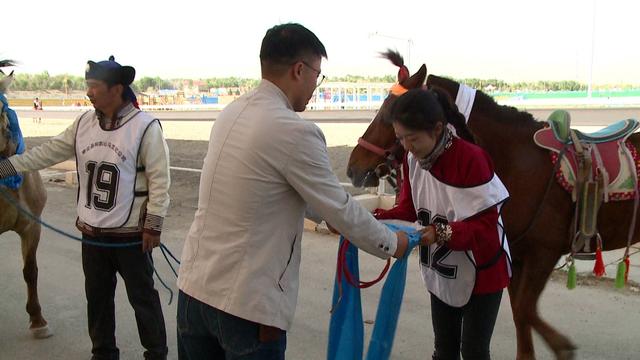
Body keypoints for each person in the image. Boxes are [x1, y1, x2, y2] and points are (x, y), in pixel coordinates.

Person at [176, 23, 416, 359]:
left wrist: (327, 215)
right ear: (299, 70)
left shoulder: (232, 112)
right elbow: (340, 208)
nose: (316, 86)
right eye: (318, 75)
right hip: (247, 308)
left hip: (194, 293)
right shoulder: (294, 131)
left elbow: (270, 191)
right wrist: (395, 243)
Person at [0, 56, 171, 360]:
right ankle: (103, 353)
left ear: (116, 89)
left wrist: (153, 224)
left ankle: (156, 353)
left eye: (94, 87)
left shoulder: (146, 127)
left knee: (143, 298)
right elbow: (48, 152)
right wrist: (6, 167)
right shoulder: (83, 123)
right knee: (98, 300)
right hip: (92, 234)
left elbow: (160, 180)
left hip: (131, 235)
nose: (88, 92)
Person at [373, 88, 511, 360]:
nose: (406, 147)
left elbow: (485, 230)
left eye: (412, 138)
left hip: (482, 270)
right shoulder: (411, 160)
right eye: (400, 138)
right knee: (444, 350)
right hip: (442, 268)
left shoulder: (472, 159)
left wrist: (439, 233)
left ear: (437, 129)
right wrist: (367, 219)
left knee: (473, 351)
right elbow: (408, 209)